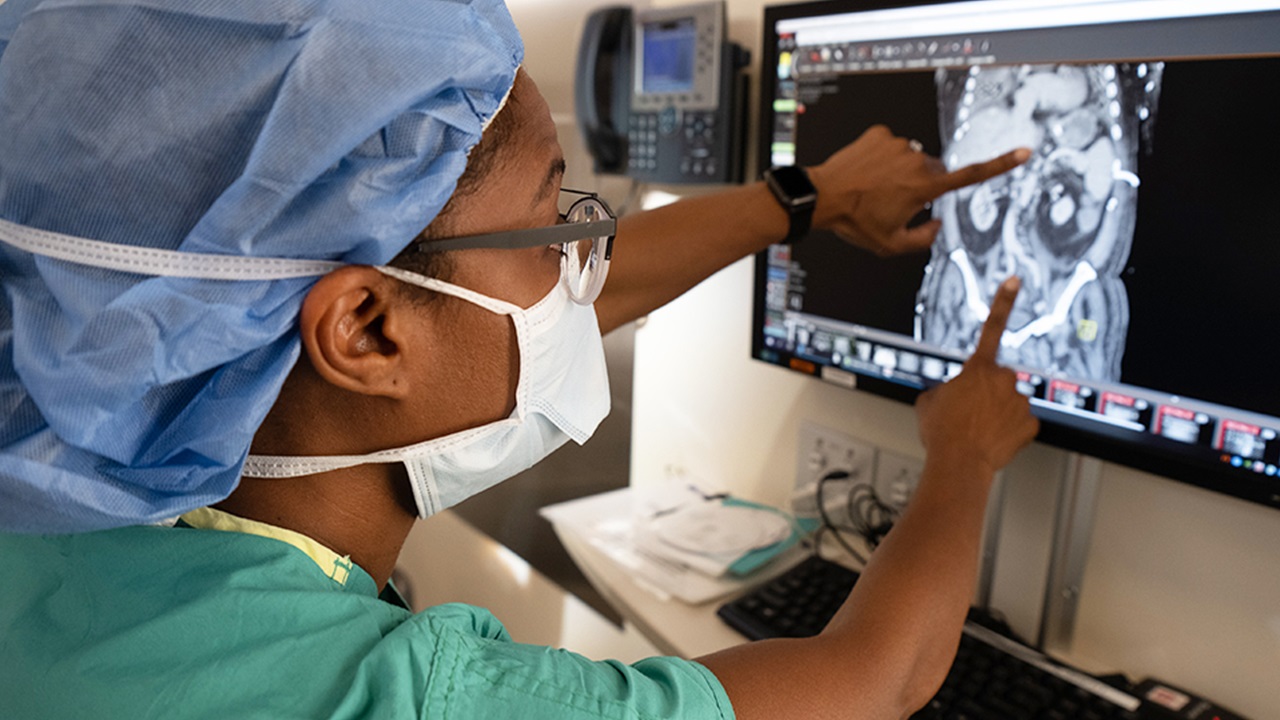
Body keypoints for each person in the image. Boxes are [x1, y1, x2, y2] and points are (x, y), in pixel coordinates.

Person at [0, 1, 1038, 718]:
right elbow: (879, 681)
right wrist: (962, 454)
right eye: (551, 218)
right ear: (363, 332)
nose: (580, 263)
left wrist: (798, 201)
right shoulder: (399, 698)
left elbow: (474, 302)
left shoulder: (59, 510)